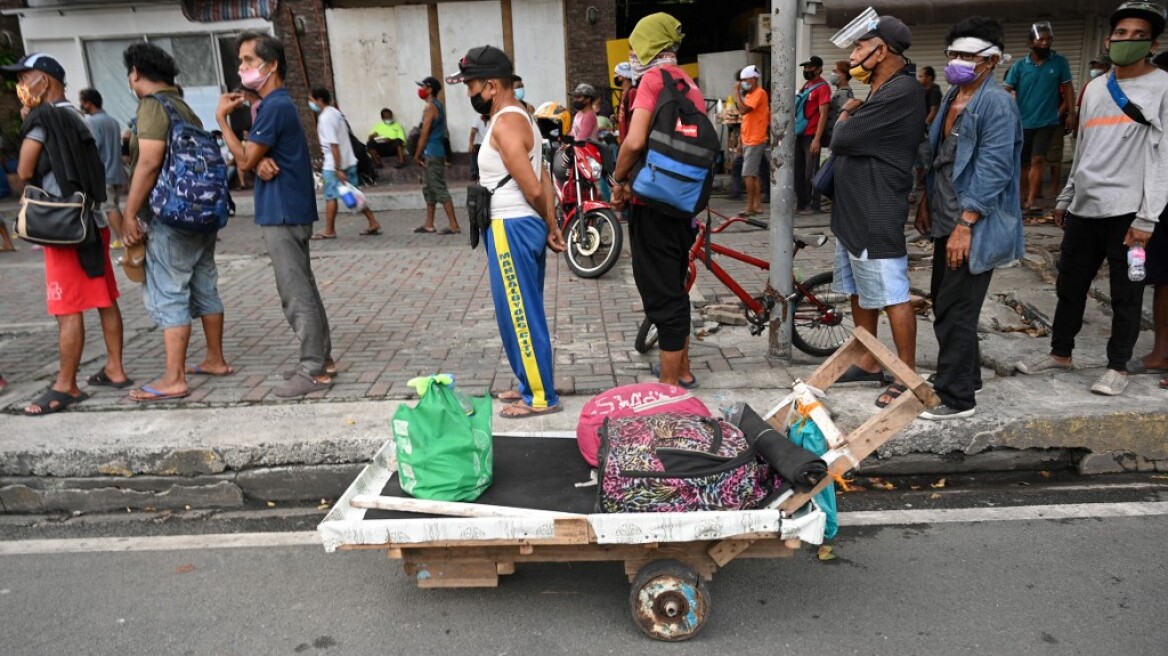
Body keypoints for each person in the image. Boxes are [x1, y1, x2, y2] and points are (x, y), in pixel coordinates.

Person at [1015, 1, 1168, 396]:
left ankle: (1117, 366)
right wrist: (1066, 196)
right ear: (1108, 38)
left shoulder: (1163, 87)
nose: (1128, 41)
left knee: (1126, 293)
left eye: (1139, 36)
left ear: (1153, 42)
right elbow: (1083, 147)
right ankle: (1060, 353)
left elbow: (1163, 157)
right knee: (1070, 285)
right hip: (1086, 206)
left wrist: (1147, 219)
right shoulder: (1095, 87)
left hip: (1129, 212)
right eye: (1122, 34)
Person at [1, 53, 130, 415]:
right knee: (103, 298)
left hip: (62, 229)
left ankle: (66, 385)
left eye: (25, 77)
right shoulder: (78, 116)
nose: (21, 86)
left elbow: (25, 170)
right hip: (92, 223)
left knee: (67, 307)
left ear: (45, 79)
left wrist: (30, 122)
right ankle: (115, 369)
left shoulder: (46, 119)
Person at [446, 46, 567, 417]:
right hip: (517, 226)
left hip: (512, 227)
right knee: (516, 310)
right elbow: (543, 175)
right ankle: (528, 383)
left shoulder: (507, 123)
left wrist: (547, 221)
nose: (469, 94)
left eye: (471, 86)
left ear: (492, 85)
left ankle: (541, 397)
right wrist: (550, 223)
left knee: (520, 313)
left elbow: (533, 186)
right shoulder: (520, 118)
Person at [215, 31, 336, 398]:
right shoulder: (275, 106)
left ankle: (313, 368)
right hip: (287, 207)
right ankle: (322, 359)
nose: (243, 68)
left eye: (249, 60)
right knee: (304, 287)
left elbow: (246, 160)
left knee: (295, 291)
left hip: (283, 211)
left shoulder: (274, 106)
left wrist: (223, 121)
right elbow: (257, 160)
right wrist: (259, 160)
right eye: (241, 61)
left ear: (272, 65)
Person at [915, 17, 1024, 420]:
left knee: (956, 308)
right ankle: (964, 376)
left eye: (968, 56)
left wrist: (966, 224)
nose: (957, 62)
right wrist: (926, 200)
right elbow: (941, 158)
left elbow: (996, 168)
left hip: (971, 223)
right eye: (953, 54)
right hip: (946, 217)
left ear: (991, 62)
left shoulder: (995, 102)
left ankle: (957, 397)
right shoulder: (952, 96)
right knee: (947, 302)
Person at [117, 43, 233, 402]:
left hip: (172, 217)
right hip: (203, 213)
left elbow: (149, 163)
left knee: (170, 292)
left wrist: (129, 214)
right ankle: (215, 359)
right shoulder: (184, 108)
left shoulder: (153, 107)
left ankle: (173, 378)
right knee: (204, 284)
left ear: (135, 72)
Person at [829, 15, 927, 407]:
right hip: (855, 211)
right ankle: (868, 358)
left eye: (858, 47)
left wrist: (845, 114)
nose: (853, 56)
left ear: (881, 50)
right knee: (860, 292)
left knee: (892, 295)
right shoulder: (881, 89)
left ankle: (907, 373)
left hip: (876, 210)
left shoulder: (902, 92)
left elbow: (843, 139)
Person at [611, 12, 704, 388]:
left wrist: (617, 179)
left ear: (651, 42)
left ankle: (669, 388)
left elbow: (634, 141)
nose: (632, 52)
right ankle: (682, 369)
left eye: (635, 43)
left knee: (662, 299)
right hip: (683, 203)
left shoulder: (651, 80)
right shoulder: (687, 82)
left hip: (652, 202)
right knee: (675, 286)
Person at [1003, 21, 1075, 216]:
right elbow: (1006, 89)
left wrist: (1071, 113)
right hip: (1022, 122)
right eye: (1040, 39)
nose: (1045, 43)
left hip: (1047, 121)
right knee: (1022, 163)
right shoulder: (1019, 66)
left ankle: (1031, 201)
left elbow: (1068, 88)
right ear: (1030, 43)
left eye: (1048, 39)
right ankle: (1020, 198)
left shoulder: (1060, 62)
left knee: (1037, 160)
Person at [308, 87, 381, 239]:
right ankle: (372, 221)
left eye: (311, 99)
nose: (310, 103)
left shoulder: (325, 118)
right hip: (349, 160)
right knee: (353, 194)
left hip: (334, 165)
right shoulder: (337, 113)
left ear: (319, 100)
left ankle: (329, 229)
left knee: (331, 197)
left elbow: (333, 144)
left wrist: (338, 168)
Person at [78, 88, 127, 249]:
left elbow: (94, 147)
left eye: (82, 101)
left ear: (89, 103)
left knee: (109, 208)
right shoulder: (112, 120)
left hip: (104, 173)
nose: (81, 105)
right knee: (114, 206)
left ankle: (123, 239)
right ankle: (123, 237)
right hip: (117, 171)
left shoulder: (91, 122)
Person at [413, 76, 461, 235]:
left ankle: (454, 225)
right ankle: (429, 223)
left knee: (439, 188)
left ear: (430, 89)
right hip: (434, 152)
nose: (421, 90)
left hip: (432, 152)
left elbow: (424, 133)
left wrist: (416, 154)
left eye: (423, 87)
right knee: (429, 188)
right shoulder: (438, 105)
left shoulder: (430, 108)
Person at [792, 57, 828, 214]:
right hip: (800, 134)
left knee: (811, 173)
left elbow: (823, 115)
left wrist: (817, 139)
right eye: (805, 67)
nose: (807, 70)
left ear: (819, 68)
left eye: (810, 67)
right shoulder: (807, 85)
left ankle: (814, 205)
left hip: (811, 135)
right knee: (797, 172)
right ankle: (801, 204)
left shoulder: (823, 87)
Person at [736, 64, 772, 216]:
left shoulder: (759, 93)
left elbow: (744, 110)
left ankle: (750, 206)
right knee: (754, 174)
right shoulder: (750, 94)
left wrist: (736, 93)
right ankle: (757, 205)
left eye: (745, 80)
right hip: (748, 138)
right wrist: (740, 140)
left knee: (748, 174)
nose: (743, 82)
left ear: (753, 79)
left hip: (755, 138)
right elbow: (745, 118)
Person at [912, 66, 943, 199]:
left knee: (927, 160)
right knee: (917, 161)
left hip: (927, 130)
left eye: (921, 76)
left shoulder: (934, 91)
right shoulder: (923, 91)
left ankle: (930, 188)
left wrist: (923, 124)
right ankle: (919, 185)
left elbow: (934, 111)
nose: (919, 79)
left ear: (929, 77)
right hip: (919, 130)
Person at [825, 60, 853, 148]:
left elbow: (844, 118)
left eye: (835, 71)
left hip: (837, 138)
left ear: (843, 75)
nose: (832, 74)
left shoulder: (844, 94)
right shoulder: (840, 92)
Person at [468, 112, 488, 181]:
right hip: (479, 144)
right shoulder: (477, 119)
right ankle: (474, 173)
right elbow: (473, 132)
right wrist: (470, 144)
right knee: (472, 151)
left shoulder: (493, 119)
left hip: (489, 144)